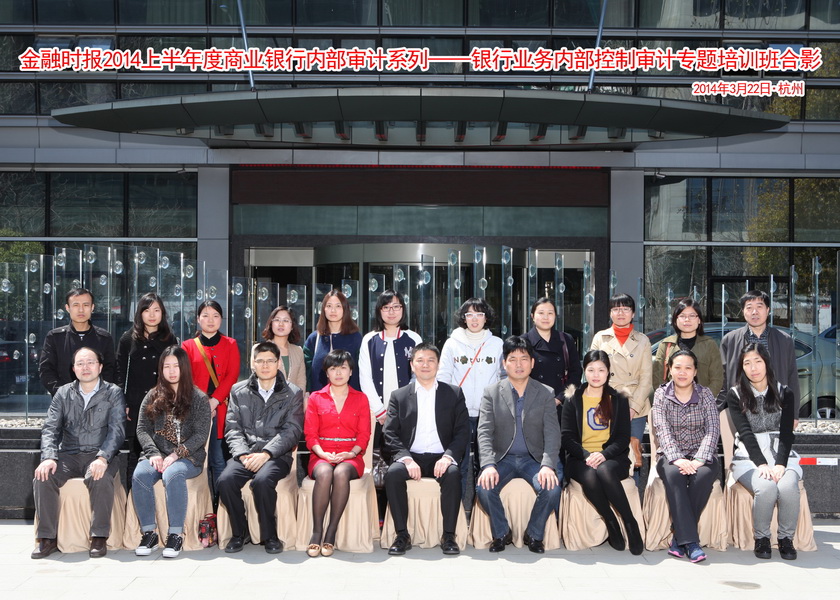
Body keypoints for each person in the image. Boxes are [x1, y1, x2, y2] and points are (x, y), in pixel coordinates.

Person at [31, 347, 125, 559]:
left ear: (100, 367)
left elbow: (117, 431)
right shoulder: (63, 393)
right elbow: (50, 428)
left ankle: (99, 536)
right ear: (73, 369)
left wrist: (103, 457)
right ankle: (47, 538)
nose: (85, 367)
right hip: (69, 455)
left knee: (99, 477)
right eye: (80, 363)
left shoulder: (113, 393)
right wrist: (48, 457)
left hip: (100, 453)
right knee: (43, 476)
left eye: (90, 362)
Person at [475, 336, 561, 554]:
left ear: (532, 363)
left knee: (552, 489)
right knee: (484, 487)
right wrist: (488, 465)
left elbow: (552, 433)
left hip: (533, 460)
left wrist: (547, 465)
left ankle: (534, 534)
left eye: (524, 359)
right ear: (504, 363)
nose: (518, 364)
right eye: (512, 359)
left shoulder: (545, 392)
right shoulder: (492, 392)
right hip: (502, 459)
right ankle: (502, 532)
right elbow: (484, 432)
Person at [383, 343, 469, 556]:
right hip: (411, 457)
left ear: (438, 365)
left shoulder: (454, 393)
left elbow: (462, 431)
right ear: (412, 365)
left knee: (453, 474)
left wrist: (448, 457)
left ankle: (449, 535)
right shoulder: (399, 396)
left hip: (441, 457)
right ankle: (402, 535)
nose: (425, 365)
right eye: (420, 360)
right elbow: (389, 433)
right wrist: (406, 459)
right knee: (393, 474)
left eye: (431, 360)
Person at [217, 342, 303, 554]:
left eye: (270, 361)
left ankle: (270, 536)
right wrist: (242, 454)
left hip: (276, 456)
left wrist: (266, 454)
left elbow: (292, 431)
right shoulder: (238, 391)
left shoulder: (292, 392)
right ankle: (239, 533)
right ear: (252, 363)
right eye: (260, 361)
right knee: (225, 481)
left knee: (262, 482)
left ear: (278, 364)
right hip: (245, 454)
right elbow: (233, 428)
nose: (265, 366)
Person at [561, 349, 644, 555]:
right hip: (580, 458)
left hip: (613, 458)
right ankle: (611, 520)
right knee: (591, 474)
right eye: (591, 370)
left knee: (604, 470)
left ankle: (630, 522)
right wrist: (586, 455)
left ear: (608, 372)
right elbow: (567, 437)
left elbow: (623, 438)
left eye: (601, 370)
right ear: (584, 371)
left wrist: (603, 455)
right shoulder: (573, 398)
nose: (596, 375)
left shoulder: (619, 399)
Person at [131, 346, 211, 558]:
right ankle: (149, 533)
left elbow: (201, 435)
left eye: (176, 366)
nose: (172, 371)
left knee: (173, 473)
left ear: (184, 368)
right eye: (167, 366)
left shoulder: (198, 398)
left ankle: (175, 534)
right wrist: (153, 453)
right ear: (161, 369)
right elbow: (142, 429)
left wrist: (176, 454)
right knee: (140, 475)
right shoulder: (152, 396)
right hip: (156, 453)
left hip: (188, 457)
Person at [726, 343, 801, 561]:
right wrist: (761, 464)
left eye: (758, 361)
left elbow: (787, 433)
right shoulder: (735, 394)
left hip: (780, 452)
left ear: (766, 363)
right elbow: (745, 433)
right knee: (766, 487)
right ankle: (762, 538)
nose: (753, 368)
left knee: (787, 486)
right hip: (749, 456)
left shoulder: (784, 392)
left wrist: (780, 464)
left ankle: (786, 538)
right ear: (742, 367)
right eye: (747, 363)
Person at [651, 350, 721, 563]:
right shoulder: (661, 394)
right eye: (678, 367)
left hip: (702, 455)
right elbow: (662, 430)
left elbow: (712, 430)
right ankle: (691, 542)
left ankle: (679, 538)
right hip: (671, 455)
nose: (682, 372)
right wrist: (677, 458)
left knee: (702, 476)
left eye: (688, 368)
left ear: (695, 371)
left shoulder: (706, 394)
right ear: (670, 370)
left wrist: (699, 459)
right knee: (675, 476)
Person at [303, 349, 371, 557]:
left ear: (351, 372)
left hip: (351, 455)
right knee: (325, 473)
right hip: (321, 454)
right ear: (327, 372)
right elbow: (310, 434)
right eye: (333, 369)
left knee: (341, 473)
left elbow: (364, 434)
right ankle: (317, 532)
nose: (338, 373)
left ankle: (331, 533)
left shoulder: (361, 398)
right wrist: (322, 453)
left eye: (343, 368)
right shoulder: (316, 398)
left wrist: (351, 453)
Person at [438, 297, 504, 503]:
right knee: (459, 462)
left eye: (479, 314)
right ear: (463, 318)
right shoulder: (452, 343)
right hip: (460, 412)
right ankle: (457, 512)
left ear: (486, 318)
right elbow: (443, 377)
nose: (474, 319)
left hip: (488, 412)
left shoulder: (497, 344)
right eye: (470, 315)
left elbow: (503, 377)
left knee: (485, 463)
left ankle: (480, 514)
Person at [116, 292, 179, 486]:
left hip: (162, 402)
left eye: (156, 310)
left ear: (163, 313)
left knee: (162, 449)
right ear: (139, 313)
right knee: (135, 452)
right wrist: (124, 402)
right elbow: (120, 373)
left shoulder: (170, 339)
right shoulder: (128, 338)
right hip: (135, 403)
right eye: (147, 310)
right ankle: (132, 499)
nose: (152, 315)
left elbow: (175, 372)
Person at [182, 300, 240, 493]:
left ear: (221, 319)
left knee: (218, 460)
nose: (210, 320)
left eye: (215, 316)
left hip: (221, 409)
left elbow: (232, 376)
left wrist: (213, 402)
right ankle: (201, 505)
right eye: (205, 315)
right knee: (196, 458)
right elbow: (186, 378)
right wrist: (202, 405)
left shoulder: (230, 344)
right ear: (198, 319)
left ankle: (219, 504)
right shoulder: (188, 346)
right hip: (195, 410)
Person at [590, 293, 652, 472]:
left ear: (633, 313)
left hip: (635, 406)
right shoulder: (600, 338)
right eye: (616, 309)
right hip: (605, 403)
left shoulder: (643, 340)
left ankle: (633, 490)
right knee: (604, 453)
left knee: (632, 456)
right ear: (610, 313)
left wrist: (632, 408)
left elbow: (646, 378)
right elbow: (592, 373)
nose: (621, 313)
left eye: (625, 309)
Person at [718, 290, 800, 412]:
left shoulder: (784, 340)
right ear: (743, 311)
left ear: (768, 310)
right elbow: (722, 380)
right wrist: (717, 411)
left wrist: (793, 414)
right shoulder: (729, 341)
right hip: (741, 409)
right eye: (749, 308)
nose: (754, 312)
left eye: (759, 307)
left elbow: (792, 378)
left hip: (775, 407)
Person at [359, 290, 422, 425]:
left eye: (396, 306)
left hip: (407, 411)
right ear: (379, 310)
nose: (391, 312)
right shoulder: (369, 340)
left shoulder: (414, 339)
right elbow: (365, 377)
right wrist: (379, 411)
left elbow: (418, 375)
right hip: (376, 414)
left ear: (403, 309)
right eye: (386, 307)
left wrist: (404, 405)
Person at [39, 288, 116, 397]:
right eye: (76, 305)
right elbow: (46, 370)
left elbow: (110, 370)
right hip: (64, 401)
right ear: (67, 308)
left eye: (85, 305)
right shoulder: (55, 337)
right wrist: (64, 394)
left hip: (98, 400)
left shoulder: (104, 338)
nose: (81, 310)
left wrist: (96, 394)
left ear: (92, 307)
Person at [652, 298, 723, 397]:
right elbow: (657, 378)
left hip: (702, 402)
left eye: (692, 316)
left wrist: (704, 400)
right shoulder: (666, 345)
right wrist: (667, 399)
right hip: (671, 401)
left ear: (699, 320)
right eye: (682, 316)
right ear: (676, 320)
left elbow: (717, 379)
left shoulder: (709, 344)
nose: (687, 320)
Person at [524, 297, 582, 411]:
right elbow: (519, 374)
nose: (546, 317)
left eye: (550, 313)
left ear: (555, 316)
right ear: (532, 316)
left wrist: (560, 397)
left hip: (562, 404)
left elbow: (576, 373)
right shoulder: (524, 342)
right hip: (532, 405)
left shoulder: (566, 340)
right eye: (541, 313)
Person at [303, 290, 362, 393]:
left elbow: (364, 371)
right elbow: (306, 371)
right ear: (324, 309)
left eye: (338, 306)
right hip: (319, 399)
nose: (333, 310)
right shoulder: (314, 339)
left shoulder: (356, 338)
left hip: (350, 398)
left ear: (345, 309)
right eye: (329, 306)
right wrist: (307, 393)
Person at [259, 305, 306, 394]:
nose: (281, 324)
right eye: (277, 320)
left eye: (286, 320)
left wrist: (298, 400)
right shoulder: (260, 349)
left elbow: (301, 382)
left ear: (292, 326)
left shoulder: (298, 351)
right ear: (271, 323)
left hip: (294, 401)